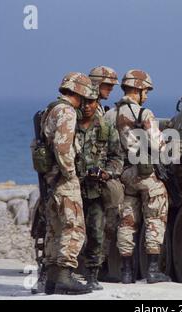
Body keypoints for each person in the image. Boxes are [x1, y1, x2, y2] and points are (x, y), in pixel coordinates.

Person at [104, 69, 171, 284]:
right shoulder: (144, 114)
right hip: (145, 173)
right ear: (138, 89)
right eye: (146, 91)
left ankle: (126, 272)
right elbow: (157, 144)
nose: (147, 95)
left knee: (127, 220)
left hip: (123, 173)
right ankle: (152, 271)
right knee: (155, 216)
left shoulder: (109, 115)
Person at [41, 72, 94, 295]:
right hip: (64, 179)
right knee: (74, 227)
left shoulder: (50, 110)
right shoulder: (67, 111)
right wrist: (71, 174)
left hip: (51, 179)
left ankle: (52, 279)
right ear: (80, 92)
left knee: (55, 228)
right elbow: (63, 148)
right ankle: (64, 276)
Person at [75, 87, 124, 290]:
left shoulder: (105, 128)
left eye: (91, 102)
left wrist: (106, 173)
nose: (87, 106)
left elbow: (117, 158)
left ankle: (92, 275)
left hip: (95, 189)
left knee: (96, 232)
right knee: (70, 232)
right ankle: (61, 272)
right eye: (84, 101)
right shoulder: (69, 125)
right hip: (72, 188)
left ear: (96, 102)